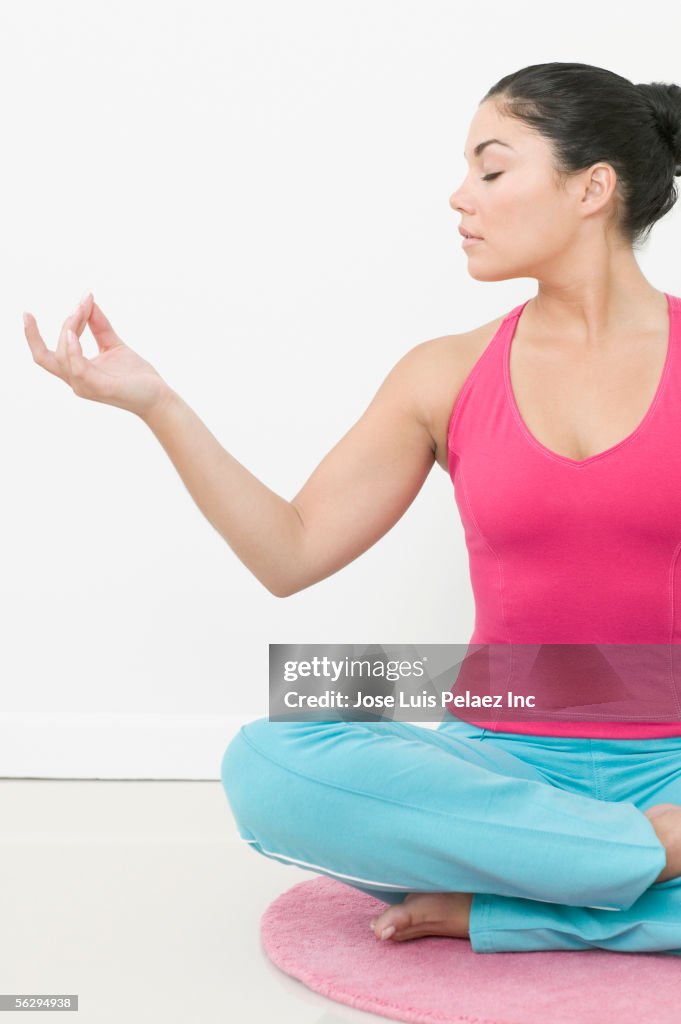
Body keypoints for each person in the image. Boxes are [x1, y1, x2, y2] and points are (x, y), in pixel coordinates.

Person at [23, 60, 681, 955]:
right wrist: (157, 404)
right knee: (270, 756)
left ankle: (534, 901)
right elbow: (289, 553)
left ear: (591, 188)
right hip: (494, 761)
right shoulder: (441, 373)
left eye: (490, 169)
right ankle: (643, 870)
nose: (459, 197)